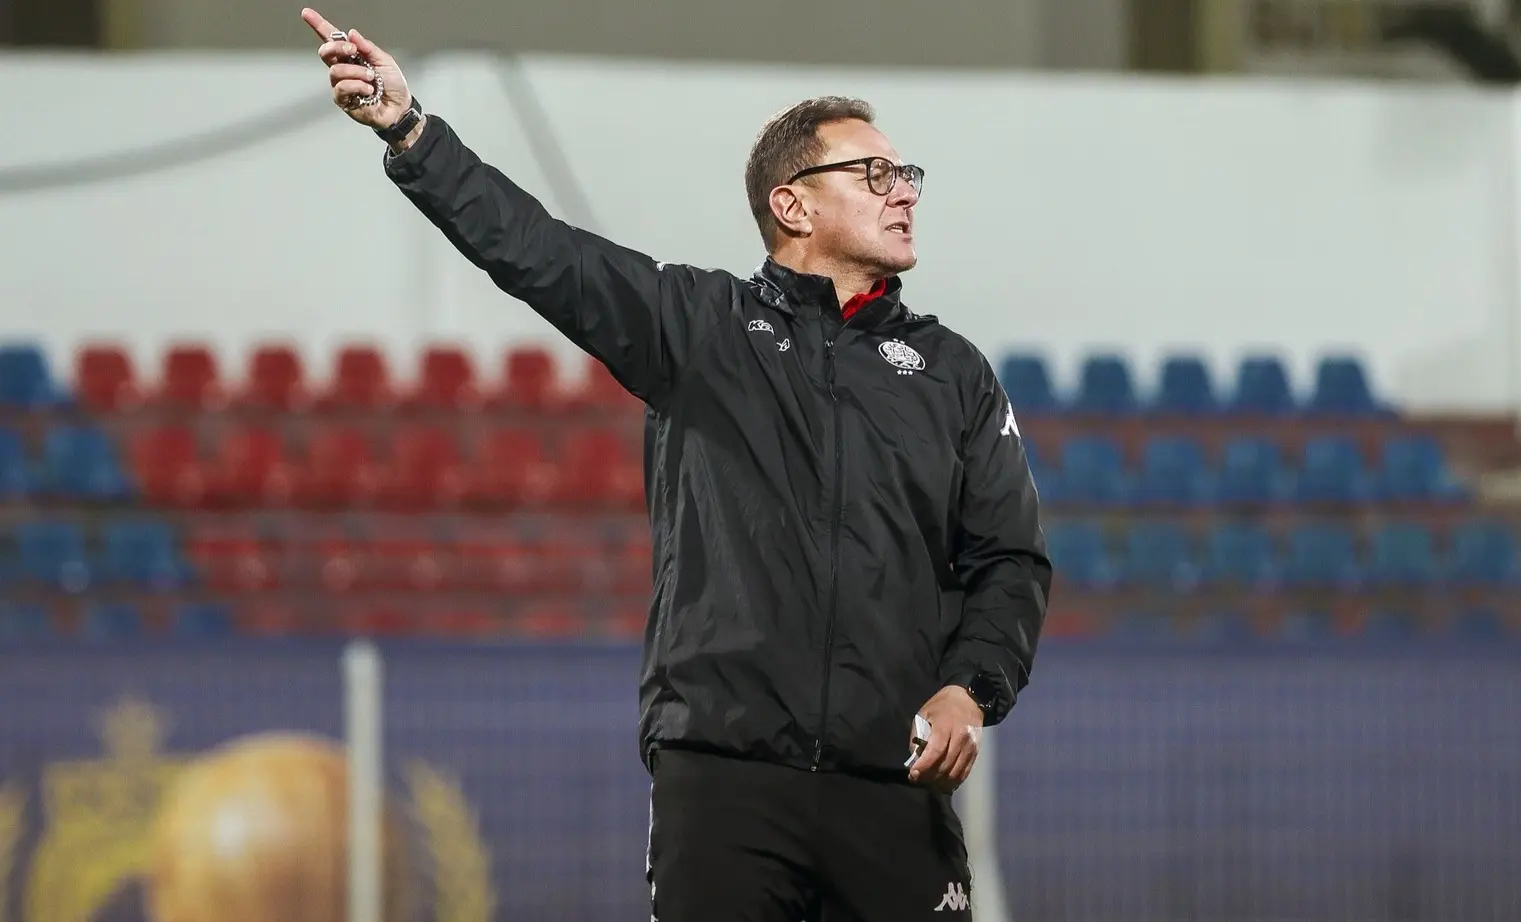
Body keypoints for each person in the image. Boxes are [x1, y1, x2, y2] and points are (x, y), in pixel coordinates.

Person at [300, 9, 1052, 920]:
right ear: (793, 205)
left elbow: (1010, 560)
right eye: (874, 173)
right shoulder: (701, 329)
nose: (904, 193)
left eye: (905, 175)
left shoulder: (953, 374)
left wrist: (971, 689)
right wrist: (411, 132)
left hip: (895, 784)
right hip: (723, 782)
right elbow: (538, 251)